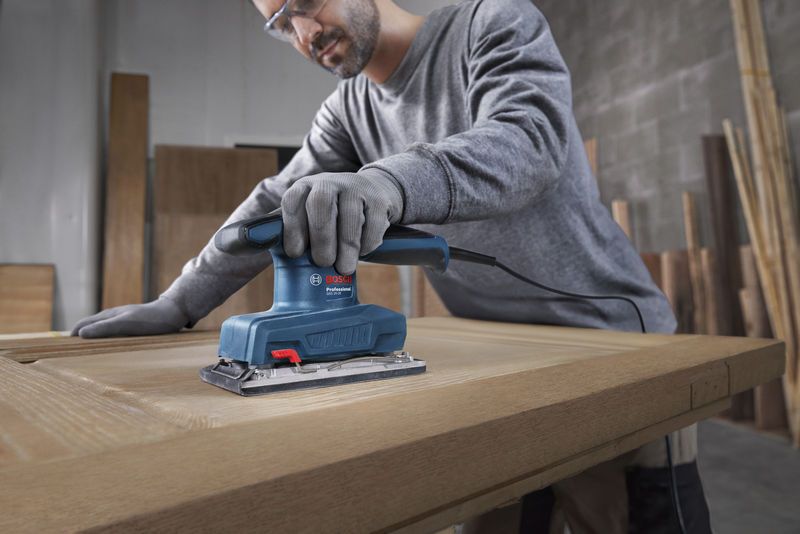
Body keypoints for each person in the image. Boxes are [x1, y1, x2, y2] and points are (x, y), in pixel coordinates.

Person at [72, 0, 711, 531]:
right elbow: (274, 202)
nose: (303, 34)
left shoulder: (491, 23)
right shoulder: (348, 110)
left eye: (305, 4)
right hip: (501, 365)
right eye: (279, 25)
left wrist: (388, 184)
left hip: (613, 347)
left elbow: (529, 140)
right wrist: (180, 301)